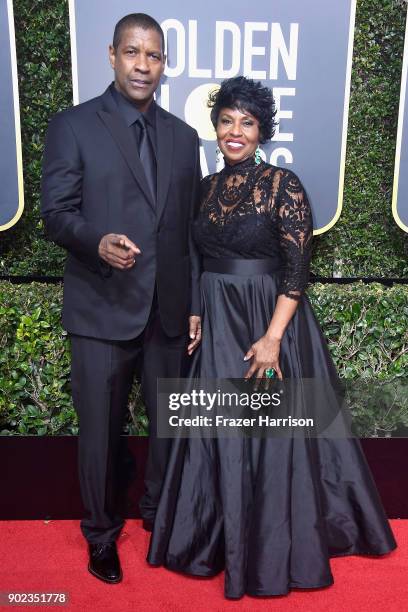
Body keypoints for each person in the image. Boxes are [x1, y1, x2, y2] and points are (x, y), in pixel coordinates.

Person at [147, 76, 397, 599]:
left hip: (268, 319)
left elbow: (296, 268)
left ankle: (268, 545)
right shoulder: (206, 188)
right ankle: (216, 539)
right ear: (215, 127)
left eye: (248, 123)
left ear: (262, 131)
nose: (235, 132)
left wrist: (273, 339)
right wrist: (196, 310)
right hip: (217, 318)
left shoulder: (283, 184)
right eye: (227, 121)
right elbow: (199, 259)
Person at [41, 13, 201, 584]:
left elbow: (190, 232)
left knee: (168, 427)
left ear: (164, 64)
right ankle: (101, 535)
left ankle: (161, 518)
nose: (143, 65)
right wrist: (96, 241)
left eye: (153, 56)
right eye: (132, 52)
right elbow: (56, 215)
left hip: (167, 310)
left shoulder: (184, 139)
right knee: (100, 435)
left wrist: (195, 304)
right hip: (101, 307)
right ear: (111, 55)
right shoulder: (74, 125)